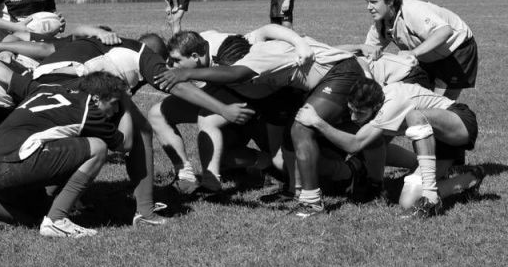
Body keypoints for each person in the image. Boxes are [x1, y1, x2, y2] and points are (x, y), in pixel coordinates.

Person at [154, 33, 365, 218]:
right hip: (309, 85)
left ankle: (313, 201)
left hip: (340, 74)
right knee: (285, 155)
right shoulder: (243, 45)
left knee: (302, 128)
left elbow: (236, 74)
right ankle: (330, 177)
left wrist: (187, 74)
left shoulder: (257, 58)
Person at [0, 52, 134, 237]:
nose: (115, 110)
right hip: (14, 165)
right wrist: (127, 105)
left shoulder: (43, 89)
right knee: (98, 147)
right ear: (96, 98)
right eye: (114, 103)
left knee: (37, 216)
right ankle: (57, 220)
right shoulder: (88, 110)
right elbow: (126, 144)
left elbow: (6, 75)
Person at [295, 78, 482, 218]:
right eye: (351, 110)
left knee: (414, 116)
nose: (353, 117)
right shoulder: (377, 97)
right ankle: (470, 177)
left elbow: (354, 144)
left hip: (459, 122)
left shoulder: (390, 105)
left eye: (359, 113)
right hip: (437, 141)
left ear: (376, 106)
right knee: (407, 201)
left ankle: (430, 197)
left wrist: (318, 122)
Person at [357, 0, 477, 100]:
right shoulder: (381, 23)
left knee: (440, 104)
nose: (368, 7)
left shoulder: (412, 11)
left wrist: (413, 52)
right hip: (427, 55)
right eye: (367, 2)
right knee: (416, 98)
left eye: (374, 2)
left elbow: (445, 31)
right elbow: (369, 51)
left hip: (457, 49)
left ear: (390, 0)